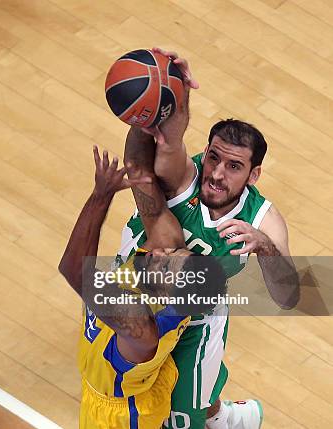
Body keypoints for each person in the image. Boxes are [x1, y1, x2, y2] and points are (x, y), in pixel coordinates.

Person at [116, 48, 300, 429]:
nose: (216, 173)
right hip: (136, 289)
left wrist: (264, 245)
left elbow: (288, 296)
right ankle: (225, 416)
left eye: (234, 166)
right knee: (129, 394)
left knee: (183, 417)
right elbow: (168, 136)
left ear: (254, 175)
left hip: (198, 314)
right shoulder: (181, 174)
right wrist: (175, 89)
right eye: (214, 157)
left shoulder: (263, 218)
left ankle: (221, 415)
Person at [59, 142, 227, 428]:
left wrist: (101, 196)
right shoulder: (160, 263)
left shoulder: (139, 325)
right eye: (174, 253)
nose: (160, 252)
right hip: (134, 388)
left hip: (121, 418)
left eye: (165, 266)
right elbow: (138, 167)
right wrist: (151, 118)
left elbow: (73, 270)